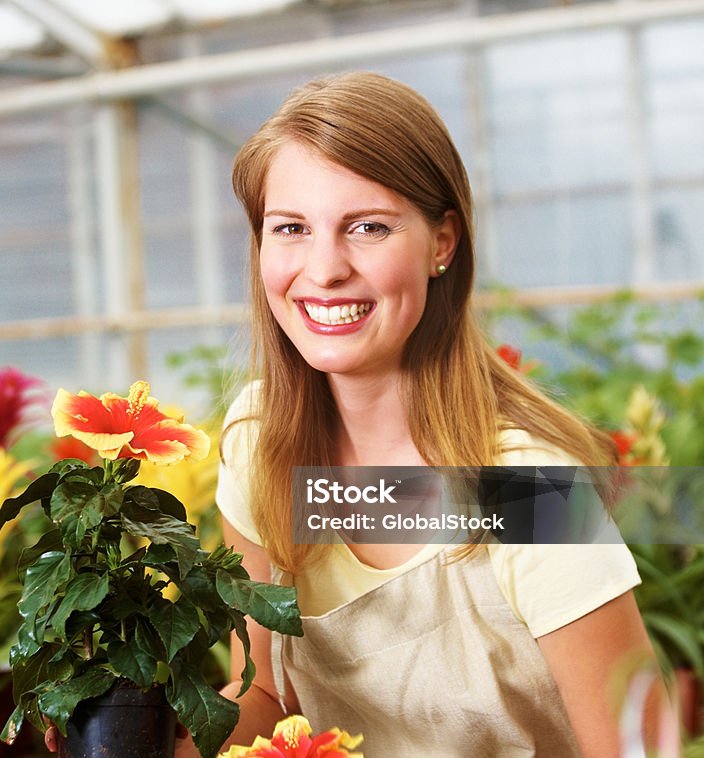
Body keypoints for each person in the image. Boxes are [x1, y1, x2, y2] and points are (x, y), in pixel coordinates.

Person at [193, 72, 666, 757]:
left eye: (368, 227)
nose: (323, 269)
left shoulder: (529, 489)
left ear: (442, 243)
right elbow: (263, 693)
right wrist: (156, 736)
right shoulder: (259, 436)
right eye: (291, 228)